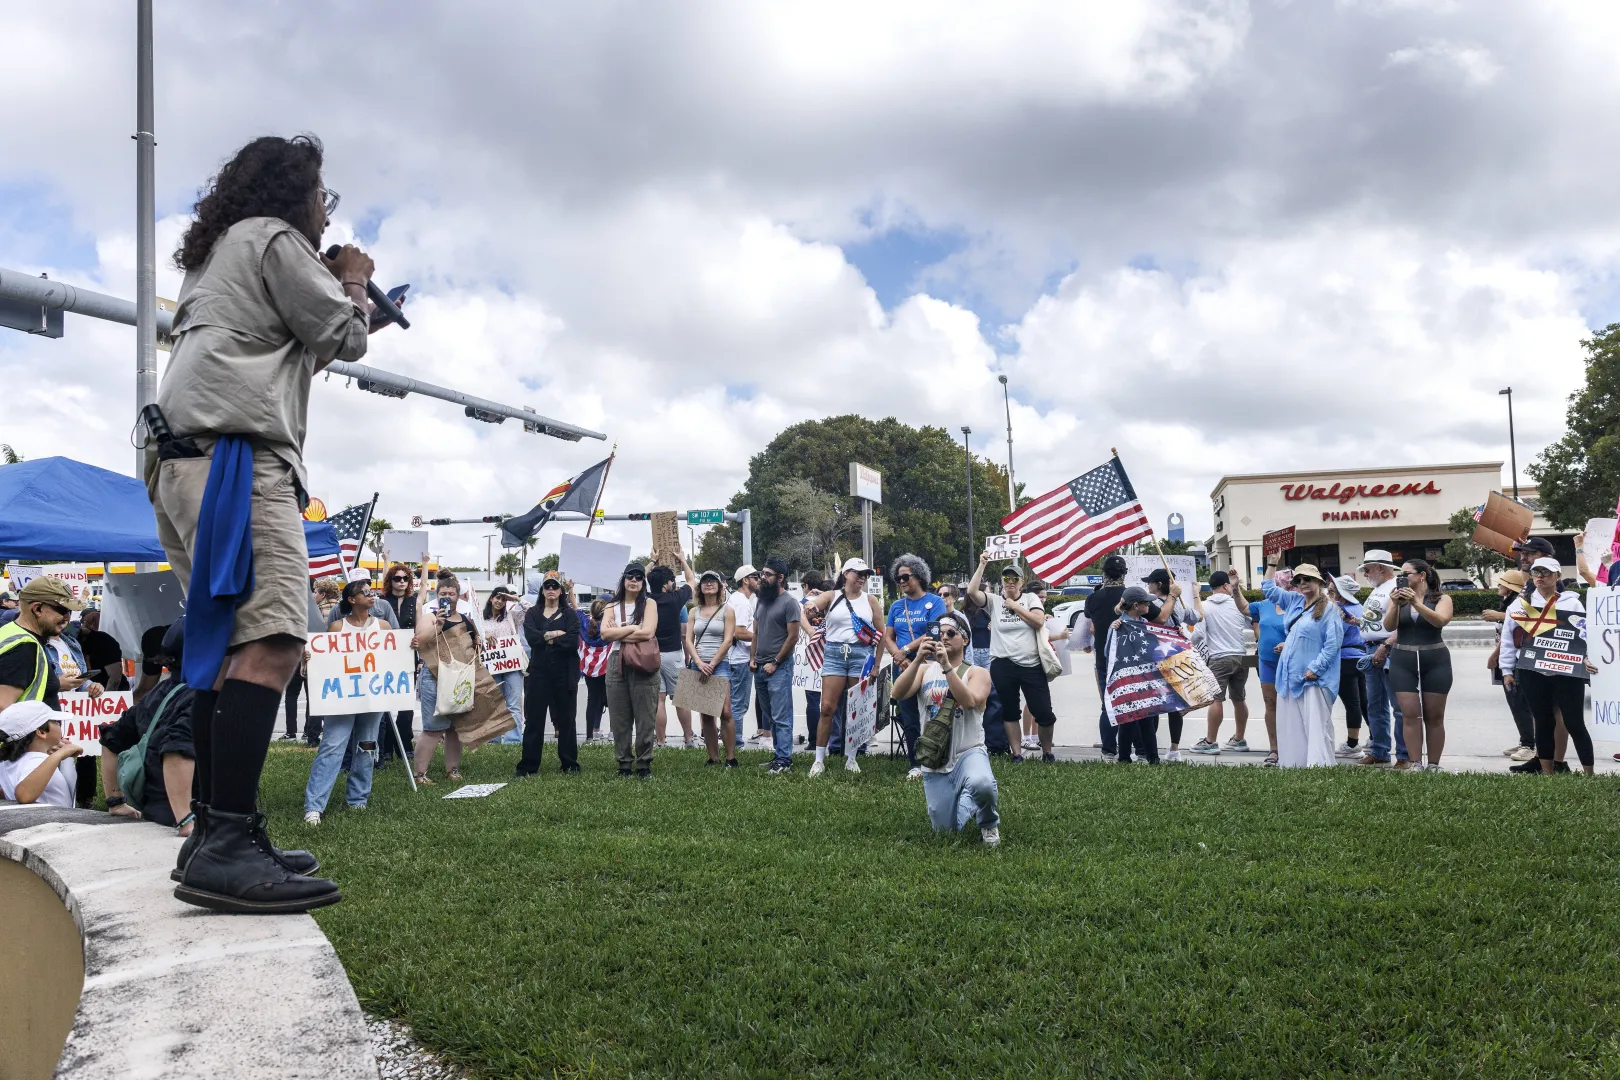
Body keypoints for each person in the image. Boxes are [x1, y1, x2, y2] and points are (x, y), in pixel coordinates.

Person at [149, 135, 386, 913]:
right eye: (324, 198)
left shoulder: (222, 253)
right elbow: (342, 334)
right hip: (236, 464)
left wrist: (343, 310)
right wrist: (351, 278)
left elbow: (297, 354)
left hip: (186, 461)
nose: (326, 212)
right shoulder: (275, 238)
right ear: (296, 193)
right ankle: (224, 844)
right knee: (276, 638)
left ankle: (222, 832)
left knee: (224, 651)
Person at [891, 610, 999, 845]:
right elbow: (897, 693)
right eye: (939, 633)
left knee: (982, 784)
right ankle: (967, 801)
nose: (945, 637)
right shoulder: (923, 670)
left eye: (951, 633)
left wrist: (948, 668)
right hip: (935, 758)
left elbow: (970, 701)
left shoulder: (977, 672)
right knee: (945, 832)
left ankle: (989, 822)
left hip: (968, 751)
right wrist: (918, 658)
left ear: (965, 640)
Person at [0, 579, 102, 808]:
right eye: (63, 610)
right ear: (37, 608)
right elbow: (3, 707)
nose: (68, 618)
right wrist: (41, 741)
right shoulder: (24, 647)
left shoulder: (11, 635)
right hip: (25, 756)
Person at [98, 620, 201, 831]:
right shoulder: (202, 698)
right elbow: (177, 750)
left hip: (155, 814)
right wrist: (185, 820)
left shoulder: (160, 692)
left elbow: (111, 740)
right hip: (196, 822)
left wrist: (115, 803)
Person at [1500, 557, 1599, 775]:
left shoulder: (1572, 603)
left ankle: (1589, 774)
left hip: (1567, 672)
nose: (1540, 577)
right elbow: (1508, 639)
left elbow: (1583, 636)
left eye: (1546, 572)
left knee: (1575, 723)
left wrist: (1587, 658)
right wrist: (1506, 670)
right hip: (1531, 670)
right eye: (1537, 572)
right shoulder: (1520, 604)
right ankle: (1547, 772)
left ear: (1557, 576)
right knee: (1543, 722)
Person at [303, 581, 385, 824]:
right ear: (351, 599)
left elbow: (393, 656)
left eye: (373, 592)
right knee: (332, 746)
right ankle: (314, 805)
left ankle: (358, 799)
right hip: (343, 697)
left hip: (373, 696)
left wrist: (408, 647)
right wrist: (312, 657)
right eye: (366, 592)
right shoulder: (337, 627)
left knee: (367, 746)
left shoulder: (383, 626)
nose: (372, 596)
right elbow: (327, 660)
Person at [965, 552, 1056, 764]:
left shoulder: (1030, 599)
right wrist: (982, 564)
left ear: (1022, 582)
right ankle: (1017, 753)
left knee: (1043, 711)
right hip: (1002, 664)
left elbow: (1039, 621)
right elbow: (971, 592)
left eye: (1014, 579)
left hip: (1030, 664)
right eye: (1006, 579)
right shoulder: (994, 601)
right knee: (1009, 710)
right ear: (1002, 582)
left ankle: (1047, 752)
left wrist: (1016, 607)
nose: (1010, 582)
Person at [801, 558, 882, 776]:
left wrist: (876, 664)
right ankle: (819, 760)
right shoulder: (833, 595)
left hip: (860, 655)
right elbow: (812, 606)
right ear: (846, 574)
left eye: (865, 574)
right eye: (858, 573)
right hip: (835, 653)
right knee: (827, 707)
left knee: (855, 708)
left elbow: (881, 634)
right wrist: (810, 607)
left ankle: (852, 757)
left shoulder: (871, 600)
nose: (863, 577)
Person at [1263, 562, 1343, 768]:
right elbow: (1269, 589)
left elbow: (1333, 644)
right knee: (1291, 725)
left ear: (1318, 581)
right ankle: (1294, 765)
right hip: (1289, 675)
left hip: (1312, 679)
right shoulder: (1295, 601)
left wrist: (1315, 669)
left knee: (1316, 726)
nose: (1302, 583)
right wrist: (1272, 562)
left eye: (1307, 579)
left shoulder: (1329, 609)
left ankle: (1319, 766)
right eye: (1298, 580)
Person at [1383, 558, 1453, 771]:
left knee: (1434, 715)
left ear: (1422, 575)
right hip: (1403, 659)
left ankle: (1433, 764)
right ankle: (1415, 763)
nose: (1401, 578)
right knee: (1410, 714)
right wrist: (1395, 604)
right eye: (1400, 575)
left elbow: (1440, 621)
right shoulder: (1396, 599)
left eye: (1407, 574)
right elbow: (1388, 626)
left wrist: (1416, 603)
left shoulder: (1442, 598)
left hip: (1435, 659)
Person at [884, 553, 949, 778]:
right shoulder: (896, 606)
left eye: (905, 577)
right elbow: (888, 636)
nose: (901, 582)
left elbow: (933, 633)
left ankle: (937, 755)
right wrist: (898, 656)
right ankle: (915, 764)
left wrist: (906, 651)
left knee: (933, 712)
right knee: (909, 715)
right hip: (902, 666)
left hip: (927, 664)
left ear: (919, 576)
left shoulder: (935, 602)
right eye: (898, 578)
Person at [412, 567, 478, 786]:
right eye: (443, 594)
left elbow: (473, 646)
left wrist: (479, 643)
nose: (447, 597)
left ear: (458, 596)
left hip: (459, 680)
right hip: (434, 677)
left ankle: (453, 770)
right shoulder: (430, 617)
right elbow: (419, 642)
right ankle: (420, 774)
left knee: (454, 729)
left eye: (451, 594)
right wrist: (438, 625)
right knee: (433, 728)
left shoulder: (467, 620)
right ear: (436, 596)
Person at [519, 571, 581, 776]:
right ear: (542, 590)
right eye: (548, 586)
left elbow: (572, 642)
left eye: (555, 586)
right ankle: (529, 765)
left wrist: (545, 637)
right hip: (538, 672)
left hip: (565, 672)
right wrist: (555, 635)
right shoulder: (533, 613)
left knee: (566, 719)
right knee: (534, 719)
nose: (551, 590)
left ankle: (569, 763)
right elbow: (531, 638)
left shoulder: (570, 614)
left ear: (561, 590)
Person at [603, 563, 660, 777]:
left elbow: (647, 633)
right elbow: (604, 635)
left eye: (638, 577)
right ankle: (624, 764)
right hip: (616, 660)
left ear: (643, 581)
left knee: (645, 715)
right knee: (619, 716)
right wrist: (633, 627)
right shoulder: (611, 605)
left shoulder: (650, 603)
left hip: (643, 659)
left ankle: (644, 763)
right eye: (630, 576)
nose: (634, 580)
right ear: (623, 579)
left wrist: (617, 632)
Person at [1188, 570, 1251, 755]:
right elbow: (1250, 622)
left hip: (1219, 658)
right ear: (1225, 586)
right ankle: (1239, 739)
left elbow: (1198, 634)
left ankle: (1210, 741)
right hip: (1241, 657)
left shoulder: (1204, 606)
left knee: (1217, 699)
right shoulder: (1238, 605)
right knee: (1239, 698)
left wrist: (1186, 644)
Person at [1354, 550, 1408, 767]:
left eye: (1367, 569)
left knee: (1397, 705)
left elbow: (1403, 624)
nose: (1365, 573)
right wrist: (1356, 622)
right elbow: (1377, 620)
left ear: (1381, 568)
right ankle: (1380, 750)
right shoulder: (1380, 589)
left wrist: (1385, 646)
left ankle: (1403, 754)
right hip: (1373, 649)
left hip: (1387, 650)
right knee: (1375, 704)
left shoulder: (1397, 588)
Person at [749, 558, 801, 776]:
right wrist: (752, 658)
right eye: (762, 573)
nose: (763, 577)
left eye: (768, 574)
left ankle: (784, 759)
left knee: (781, 715)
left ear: (780, 578)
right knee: (769, 716)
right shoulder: (762, 600)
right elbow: (757, 632)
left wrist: (776, 662)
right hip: (759, 666)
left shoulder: (790, 603)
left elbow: (793, 637)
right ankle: (778, 755)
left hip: (778, 666)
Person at [1141, 568, 1199, 762]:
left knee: (1154, 703)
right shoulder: (1180, 604)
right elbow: (1196, 617)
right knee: (1175, 706)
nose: (1147, 585)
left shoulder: (1152, 605)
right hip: (1177, 657)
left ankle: (1151, 748)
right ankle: (1174, 749)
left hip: (1156, 657)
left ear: (1158, 584)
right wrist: (1193, 596)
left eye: (1150, 582)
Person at [684, 570, 739, 767]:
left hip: (719, 664)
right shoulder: (694, 611)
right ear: (700, 587)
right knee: (706, 713)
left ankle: (731, 757)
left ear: (720, 586)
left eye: (712, 581)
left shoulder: (727, 610)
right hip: (699, 664)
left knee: (725, 711)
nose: (708, 584)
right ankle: (713, 757)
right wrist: (698, 662)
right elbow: (689, 640)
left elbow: (728, 639)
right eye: (705, 581)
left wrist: (713, 663)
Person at [1483, 569, 1537, 762]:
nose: (1499, 586)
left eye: (1502, 583)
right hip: (1509, 658)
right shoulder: (1510, 603)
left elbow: (1529, 623)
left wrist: (1499, 615)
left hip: (1517, 659)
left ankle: (1529, 745)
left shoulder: (1520, 603)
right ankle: (1526, 740)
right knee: (1515, 701)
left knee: (1520, 702)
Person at [1083, 554, 1131, 759]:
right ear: (1124, 573)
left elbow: (1088, 617)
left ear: (1103, 574)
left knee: (1108, 704)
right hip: (1130, 658)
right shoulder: (1131, 596)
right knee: (1131, 702)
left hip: (1104, 658)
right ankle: (1134, 747)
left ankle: (1109, 747)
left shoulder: (1093, 598)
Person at [647, 557, 697, 749]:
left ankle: (660, 741)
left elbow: (637, 578)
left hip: (652, 654)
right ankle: (688, 739)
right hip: (674, 654)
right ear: (667, 584)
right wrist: (683, 560)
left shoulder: (646, 601)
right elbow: (692, 581)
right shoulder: (675, 600)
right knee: (681, 699)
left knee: (659, 699)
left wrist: (652, 561)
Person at [374, 563, 418, 765]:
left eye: (405, 578)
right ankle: (388, 747)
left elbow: (419, 628)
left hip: (409, 654)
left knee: (406, 702)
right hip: (385, 656)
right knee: (387, 702)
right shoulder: (381, 602)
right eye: (396, 578)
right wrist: (385, 559)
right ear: (389, 580)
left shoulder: (414, 601)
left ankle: (405, 745)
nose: (401, 582)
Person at [1248, 567, 1293, 767]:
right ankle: (1274, 748)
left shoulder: (1298, 604)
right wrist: (1234, 589)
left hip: (1292, 662)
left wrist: (1288, 644)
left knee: (1293, 704)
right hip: (1266, 661)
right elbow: (1244, 608)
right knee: (1270, 703)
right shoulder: (1264, 605)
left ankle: (1293, 747)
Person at [0, 701, 81, 807]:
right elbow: (24, 795)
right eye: (55, 722)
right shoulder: (37, 760)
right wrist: (58, 755)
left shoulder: (7, 762)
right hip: (54, 821)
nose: (59, 724)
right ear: (41, 732)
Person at [481, 585, 527, 746]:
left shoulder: (512, 616)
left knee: (513, 703)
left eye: (503, 598)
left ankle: (513, 741)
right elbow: (473, 637)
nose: (500, 601)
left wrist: (516, 599)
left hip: (512, 666)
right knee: (494, 704)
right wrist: (483, 634)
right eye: (497, 597)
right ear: (491, 598)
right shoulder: (481, 619)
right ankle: (493, 739)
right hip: (492, 666)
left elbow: (533, 612)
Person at [1329, 575, 1369, 759]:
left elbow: (1334, 635)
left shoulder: (1341, 611)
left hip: (1345, 659)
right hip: (1361, 658)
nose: (1329, 593)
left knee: (1352, 703)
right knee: (1364, 702)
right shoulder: (1360, 607)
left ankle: (1353, 744)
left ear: (1340, 593)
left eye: (1332, 590)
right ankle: (1375, 737)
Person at [727, 565, 759, 751]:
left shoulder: (738, 600)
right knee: (739, 704)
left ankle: (731, 739)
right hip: (739, 659)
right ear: (745, 580)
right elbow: (738, 632)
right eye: (755, 577)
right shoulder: (741, 602)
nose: (758, 580)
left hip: (735, 658)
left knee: (733, 703)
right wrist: (761, 636)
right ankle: (736, 742)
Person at [578, 596, 611, 742]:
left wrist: (571, 590)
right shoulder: (610, 628)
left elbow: (576, 609)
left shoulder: (585, 624)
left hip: (589, 669)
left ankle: (590, 735)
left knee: (592, 700)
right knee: (612, 700)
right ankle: (613, 733)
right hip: (607, 668)